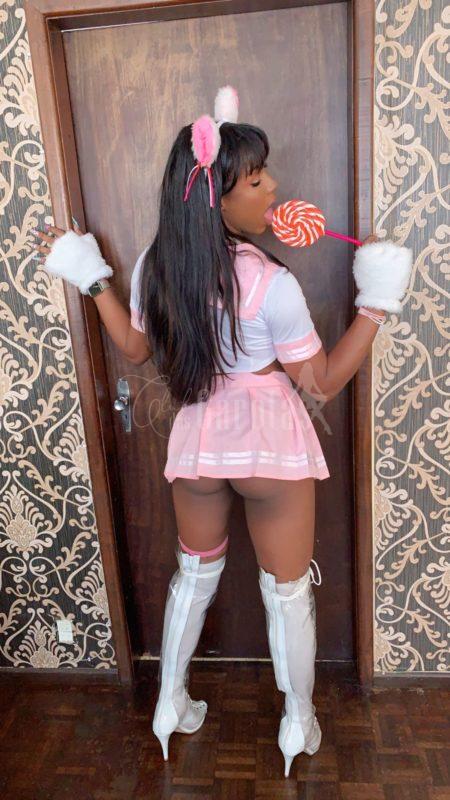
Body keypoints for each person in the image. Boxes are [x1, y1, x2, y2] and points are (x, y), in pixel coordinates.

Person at [32, 85, 413, 778]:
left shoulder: (157, 267)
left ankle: (169, 704)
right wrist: (377, 304)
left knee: (193, 575)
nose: (274, 189)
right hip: (270, 444)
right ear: (218, 197)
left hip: (200, 440)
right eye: (257, 180)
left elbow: (135, 349)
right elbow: (321, 382)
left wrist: (90, 279)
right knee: (287, 590)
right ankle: (297, 721)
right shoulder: (270, 283)